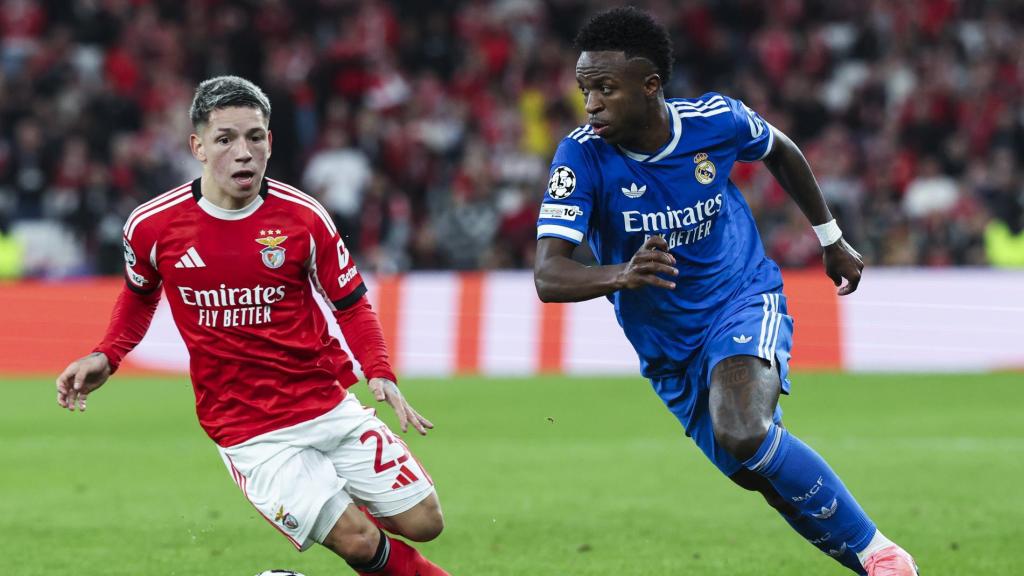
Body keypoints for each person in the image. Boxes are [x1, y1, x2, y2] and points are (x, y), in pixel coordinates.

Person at [533, 8, 917, 576]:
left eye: (605, 89)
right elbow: (548, 276)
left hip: (740, 299)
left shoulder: (716, 121)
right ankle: (870, 563)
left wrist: (830, 237)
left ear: (650, 85)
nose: (591, 105)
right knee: (763, 476)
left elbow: (781, 150)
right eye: (585, 89)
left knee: (745, 430)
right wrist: (620, 274)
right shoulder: (582, 154)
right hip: (668, 350)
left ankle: (885, 557)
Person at [55, 76, 449, 576]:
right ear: (197, 146)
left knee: (424, 521)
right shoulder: (152, 226)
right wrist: (107, 355)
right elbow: (139, 294)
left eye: (255, 137)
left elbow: (351, 303)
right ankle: (337, 517)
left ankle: (329, 508)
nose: (243, 152)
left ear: (270, 141)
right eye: (226, 139)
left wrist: (380, 372)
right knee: (358, 540)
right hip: (248, 428)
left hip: (323, 401)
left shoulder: (304, 217)